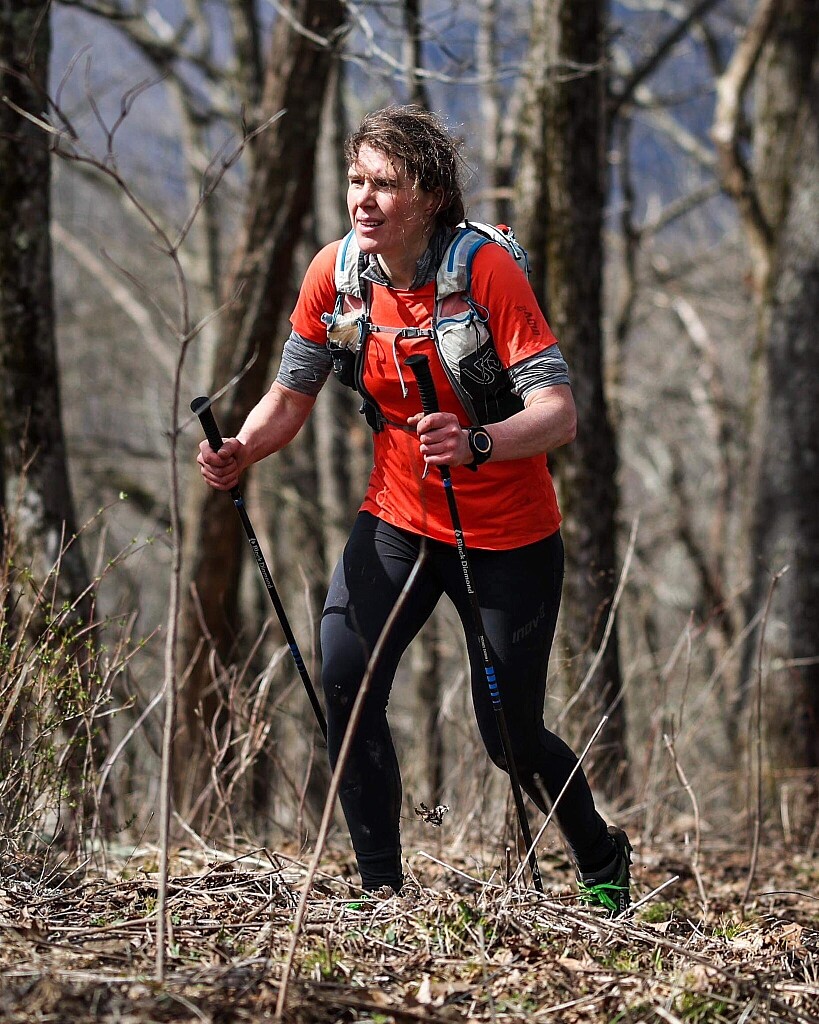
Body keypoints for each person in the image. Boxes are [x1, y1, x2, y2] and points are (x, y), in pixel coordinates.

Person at [197, 105, 631, 914]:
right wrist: (242, 449)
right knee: (344, 682)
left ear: (429, 196)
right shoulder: (337, 275)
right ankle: (380, 894)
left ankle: (601, 855)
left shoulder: (485, 274)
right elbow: (289, 396)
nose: (362, 200)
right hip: (397, 518)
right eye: (355, 180)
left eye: (384, 184)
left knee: (509, 738)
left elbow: (558, 415)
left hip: (505, 535)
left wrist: (476, 442)